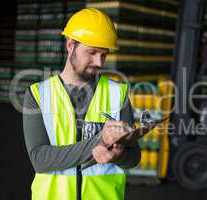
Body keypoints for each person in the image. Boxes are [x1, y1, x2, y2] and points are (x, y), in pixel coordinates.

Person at [23, 8, 141, 200]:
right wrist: (100, 141)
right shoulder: (38, 94)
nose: (99, 62)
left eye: (104, 55)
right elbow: (40, 159)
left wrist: (118, 155)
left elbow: (134, 158)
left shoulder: (117, 94)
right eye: (92, 52)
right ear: (70, 45)